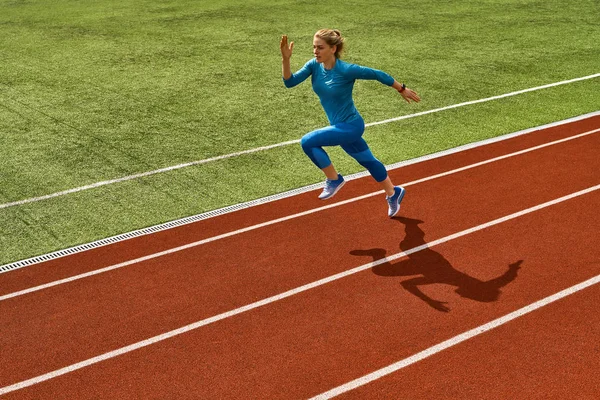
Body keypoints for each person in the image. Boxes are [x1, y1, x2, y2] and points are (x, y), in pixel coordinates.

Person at [280, 29, 421, 217]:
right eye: (314, 47)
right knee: (369, 162)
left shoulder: (346, 70)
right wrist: (286, 59)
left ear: (333, 48)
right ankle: (393, 192)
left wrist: (401, 88)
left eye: (320, 47)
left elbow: (377, 74)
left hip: (352, 126)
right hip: (340, 128)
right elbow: (290, 82)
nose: (315, 51)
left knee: (307, 141)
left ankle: (334, 179)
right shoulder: (314, 65)